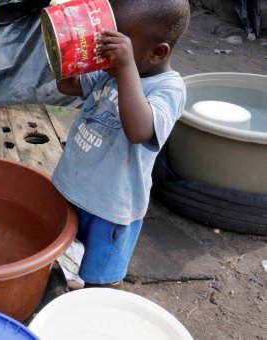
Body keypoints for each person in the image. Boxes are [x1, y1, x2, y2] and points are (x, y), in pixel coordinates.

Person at [52, 0, 191, 288]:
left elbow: (139, 130)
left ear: (157, 52)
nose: (105, 49)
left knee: (101, 280)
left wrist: (125, 66)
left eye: (116, 42)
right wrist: (65, 41)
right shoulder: (109, 69)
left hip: (111, 208)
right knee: (57, 254)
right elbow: (67, 85)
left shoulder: (169, 88)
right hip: (71, 188)